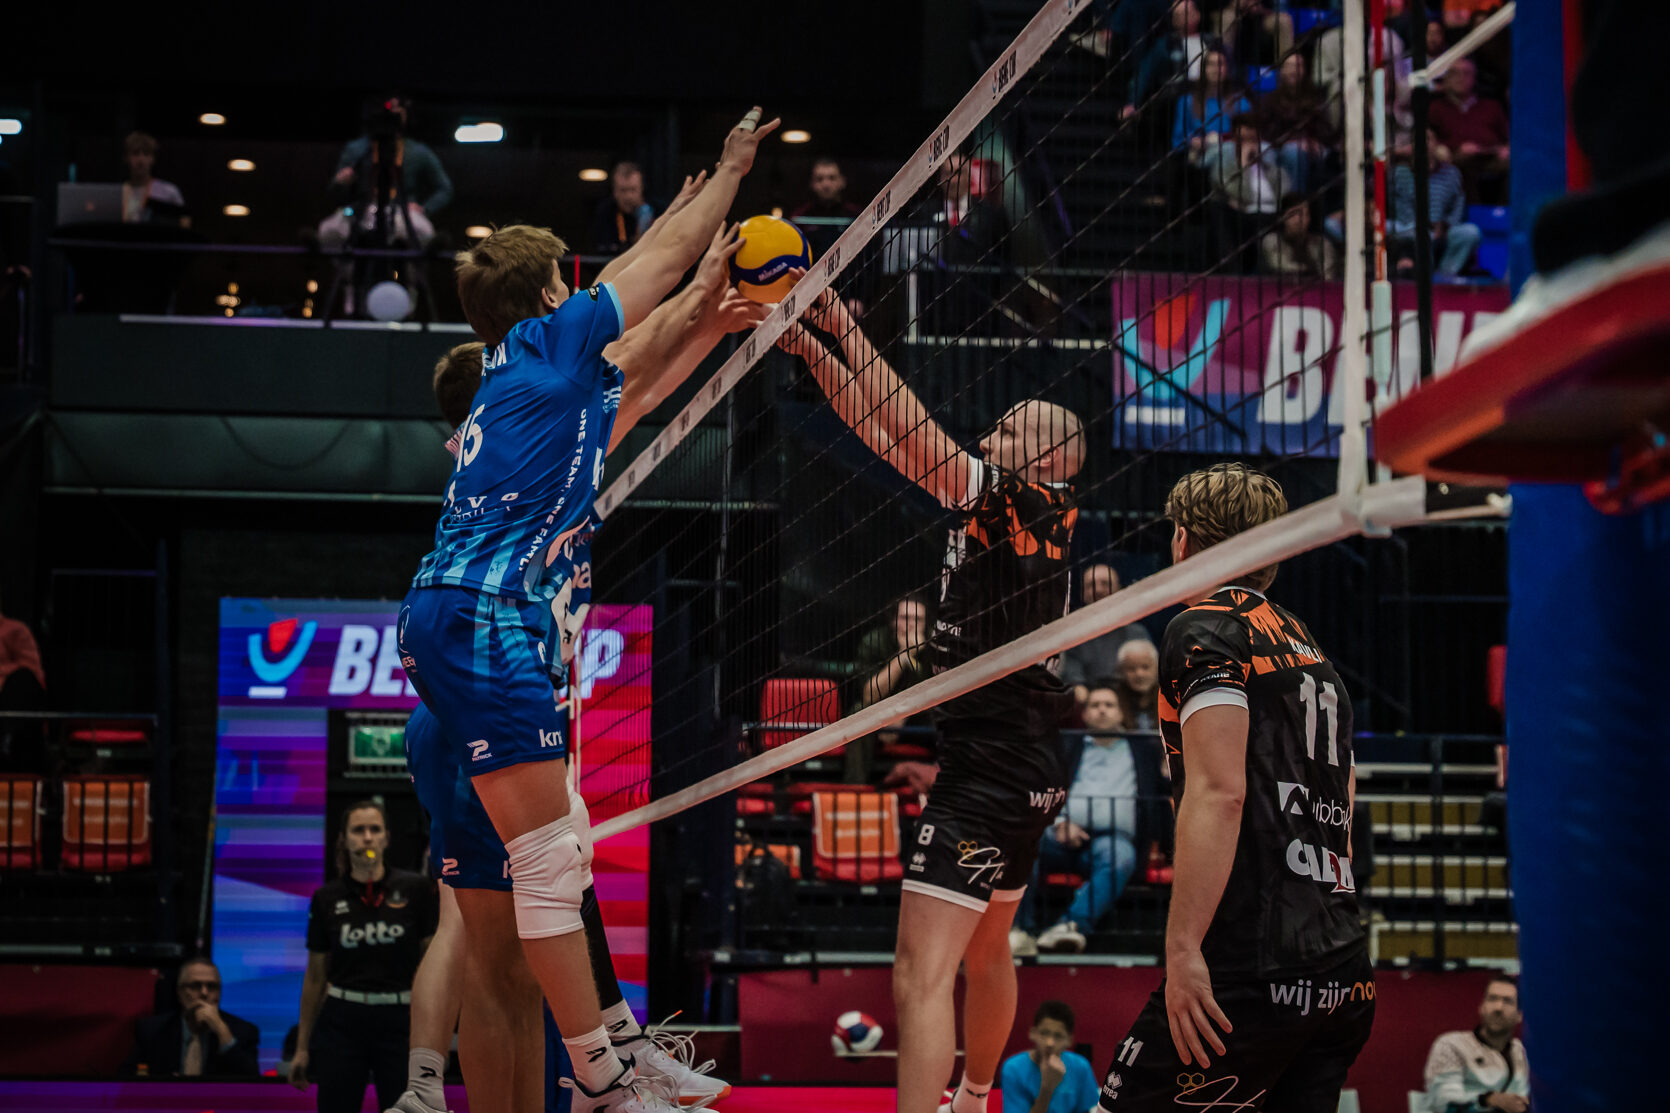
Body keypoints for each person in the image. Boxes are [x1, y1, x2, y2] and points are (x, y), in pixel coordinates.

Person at [396, 107, 776, 1113]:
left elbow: (642, 368)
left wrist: (708, 311)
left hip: (472, 643)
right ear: (553, 291)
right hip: (482, 631)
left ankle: (615, 1051)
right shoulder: (545, 351)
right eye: (575, 282)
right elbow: (650, 274)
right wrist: (726, 180)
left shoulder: (544, 400)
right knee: (527, 899)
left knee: (543, 887)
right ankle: (600, 1076)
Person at [777, 292, 1084, 1113]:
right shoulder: (1022, 512)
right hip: (1027, 763)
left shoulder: (1021, 500)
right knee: (988, 951)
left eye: (1008, 431)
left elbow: (914, 432)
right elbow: (887, 438)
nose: (990, 438)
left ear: (1051, 456)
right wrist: (820, 361)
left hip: (988, 768)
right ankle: (974, 1098)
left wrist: (844, 326)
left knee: (921, 973)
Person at [1092, 462, 1373, 1113]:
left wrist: (1183, 947)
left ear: (1184, 540)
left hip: (1251, 962)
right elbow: (1345, 787)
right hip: (1341, 964)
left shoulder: (1204, 628)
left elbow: (1221, 793)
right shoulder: (1305, 641)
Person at [290, 800, 439, 1113]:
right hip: (343, 1020)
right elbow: (315, 976)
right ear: (345, 840)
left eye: (375, 829)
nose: (367, 837)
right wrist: (302, 1047)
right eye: (358, 830)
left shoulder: (416, 890)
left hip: (402, 1020)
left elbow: (435, 965)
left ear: (386, 838)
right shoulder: (326, 898)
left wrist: (437, 1038)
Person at [1010, 687, 1140, 957]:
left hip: (1111, 840)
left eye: (1109, 704)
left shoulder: (1142, 749)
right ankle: (1018, 931)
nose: (1102, 710)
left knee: (1122, 857)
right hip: (1058, 834)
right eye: (1095, 705)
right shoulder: (1068, 744)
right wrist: (1059, 822)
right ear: (1085, 714)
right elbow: (1044, 785)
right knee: (1023, 842)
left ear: (1121, 713)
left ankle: (1070, 926)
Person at [319, 96, 453, 252]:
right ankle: (341, 266)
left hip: (403, 211)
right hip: (360, 209)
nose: (390, 118)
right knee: (328, 230)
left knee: (424, 231)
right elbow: (333, 189)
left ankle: (417, 260)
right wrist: (340, 182)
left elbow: (445, 188)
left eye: (396, 113)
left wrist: (425, 209)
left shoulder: (418, 151)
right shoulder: (357, 149)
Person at [845, 594, 937, 788]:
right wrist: (904, 655)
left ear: (926, 624)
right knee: (858, 713)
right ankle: (855, 791)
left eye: (917, 620)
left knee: (949, 717)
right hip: (880, 716)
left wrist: (902, 714)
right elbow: (870, 696)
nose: (910, 625)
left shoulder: (935, 645)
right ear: (893, 620)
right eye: (905, 618)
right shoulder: (875, 641)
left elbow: (938, 694)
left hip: (918, 718)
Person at [120, 957, 260, 1078]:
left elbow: (254, 1086)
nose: (204, 993)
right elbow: (126, 1079)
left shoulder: (243, 1032)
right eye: (195, 986)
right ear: (180, 992)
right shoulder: (152, 1030)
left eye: (212, 987)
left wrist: (223, 1033)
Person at [1422, 978, 1530, 1113]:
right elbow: (1441, 1102)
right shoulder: (1452, 1044)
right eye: (1492, 999)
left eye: (1508, 1001)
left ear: (1520, 1015)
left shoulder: (1521, 1052)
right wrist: (1489, 1100)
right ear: (1482, 1008)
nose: (1498, 1008)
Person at [1203, 114, 1288, 272]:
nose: (1248, 145)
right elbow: (1241, 194)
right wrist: (1243, 164)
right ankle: (1232, 273)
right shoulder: (1225, 167)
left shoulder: (1271, 169)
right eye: (1242, 140)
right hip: (1241, 219)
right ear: (1234, 141)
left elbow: (1286, 195)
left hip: (1273, 216)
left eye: (1252, 139)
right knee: (1218, 209)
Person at [1391, 131, 1481, 278]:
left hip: (1443, 230)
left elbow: (1457, 205)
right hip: (1410, 228)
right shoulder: (1400, 173)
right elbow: (1400, 206)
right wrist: (1424, 226)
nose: (1424, 144)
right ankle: (1420, 271)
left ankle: (1445, 274)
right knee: (1390, 227)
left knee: (1470, 232)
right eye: (1418, 140)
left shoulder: (1451, 173)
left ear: (1436, 144)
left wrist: (1445, 225)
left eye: (1428, 139)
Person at [1060, 564, 1152, 705]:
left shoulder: (1136, 633)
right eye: (1091, 585)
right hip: (1091, 706)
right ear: (1083, 593)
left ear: (1118, 590)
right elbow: (1073, 679)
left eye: (1105, 583)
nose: (1098, 590)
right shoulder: (1073, 636)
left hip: (1132, 705)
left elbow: (1149, 678)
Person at [1427, 59, 1509, 203]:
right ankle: (1471, 213)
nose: (1460, 78)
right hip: (1454, 158)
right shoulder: (1435, 108)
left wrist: (1506, 149)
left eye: (1466, 73)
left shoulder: (1492, 106)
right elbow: (1427, 139)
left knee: (1514, 164)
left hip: (1489, 156)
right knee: (1463, 166)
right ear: (1446, 78)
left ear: (1474, 78)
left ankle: (1503, 213)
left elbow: (1509, 138)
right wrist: (1441, 148)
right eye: (1454, 73)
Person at [998, 1001, 1101, 1113]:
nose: (1050, 1043)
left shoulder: (1081, 1067)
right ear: (1033, 1033)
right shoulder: (1013, 1068)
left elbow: (1087, 1109)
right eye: (1044, 1033)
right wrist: (1047, 1088)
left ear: (1069, 1040)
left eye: (1058, 1036)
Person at [1255, 53, 1336, 195]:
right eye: (1289, 66)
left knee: (1306, 154)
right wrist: (1290, 141)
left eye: (1297, 66)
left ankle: (1302, 200)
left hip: (1311, 147)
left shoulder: (1316, 99)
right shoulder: (1270, 100)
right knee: (1282, 152)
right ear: (1282, 71)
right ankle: (1283, 199)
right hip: (1281, 146)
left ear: (1304, 70)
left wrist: (1310, 142)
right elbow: (1266, 132)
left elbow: (1325, 131)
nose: (1293, 70)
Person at [1171, 47, 1251, 159]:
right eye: (1211, 64)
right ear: (1203, 69)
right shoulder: (1187, 101)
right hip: (1203, 154)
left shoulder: (1240, 101)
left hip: (1237, 151)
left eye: (1220, 64)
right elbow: (1178, 140)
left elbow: (1251, 133)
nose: (1216, 69)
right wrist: (1194, 141)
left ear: (1227, 69)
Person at [1260, 193, 1342, 279]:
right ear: (1282, 217)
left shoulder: (1322, 244)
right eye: (1293, 214)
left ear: (1310, 218)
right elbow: (1282, 268)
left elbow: (1328, 276)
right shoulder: (1272, 240)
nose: (1298, 220)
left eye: (1304, 214)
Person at [119, 132, 185, 226]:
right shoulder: (118, 192)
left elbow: (184, 221)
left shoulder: (169, 192)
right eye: (135, 153)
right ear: (126, 158)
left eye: (146, 154)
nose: (141, 160)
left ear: (152, 158)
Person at [593, 162, 655, 256]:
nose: (628, 196)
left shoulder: (657, 210)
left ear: (642, 188)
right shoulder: (605, 213)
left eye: (633, 190)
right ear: (614, 191)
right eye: (623, 190)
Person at [1113, 640, 1160, 731]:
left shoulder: (1170, 696)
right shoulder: (1113, 699)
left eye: (1145, 667)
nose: (1139, 674)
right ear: (1121, 671)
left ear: (1157, 668)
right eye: (1131, 668)